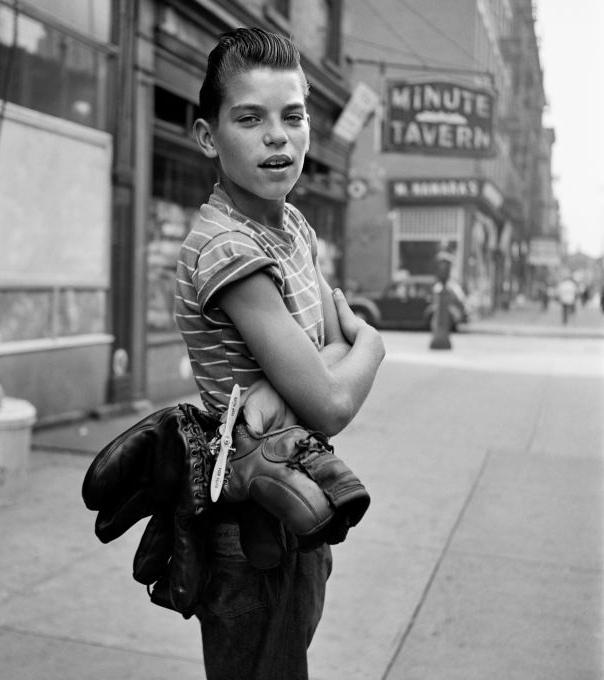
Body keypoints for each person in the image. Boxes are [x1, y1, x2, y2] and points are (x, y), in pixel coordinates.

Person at [174, 27, 385, 680]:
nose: (278, 137)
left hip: (299, 500)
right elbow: (331, 400)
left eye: (293, 117)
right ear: (208, 136)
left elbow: (330, 343)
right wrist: (373, 347)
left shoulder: (290, 224)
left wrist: (307, 375)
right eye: (250, 119)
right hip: (250, 531)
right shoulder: (228, 248)